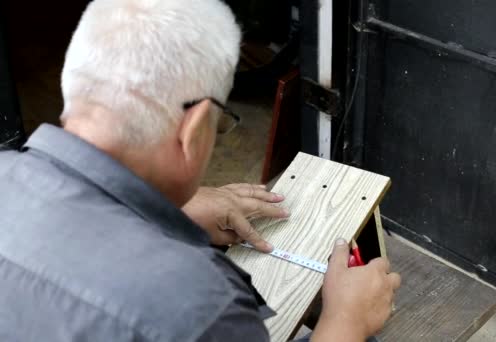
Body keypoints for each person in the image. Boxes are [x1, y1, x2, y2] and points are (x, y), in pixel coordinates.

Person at [0, 0, 401, 341]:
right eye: (219, 124)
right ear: (192, 132)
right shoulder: (201, 308)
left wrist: (165, 211)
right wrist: (346, 322)